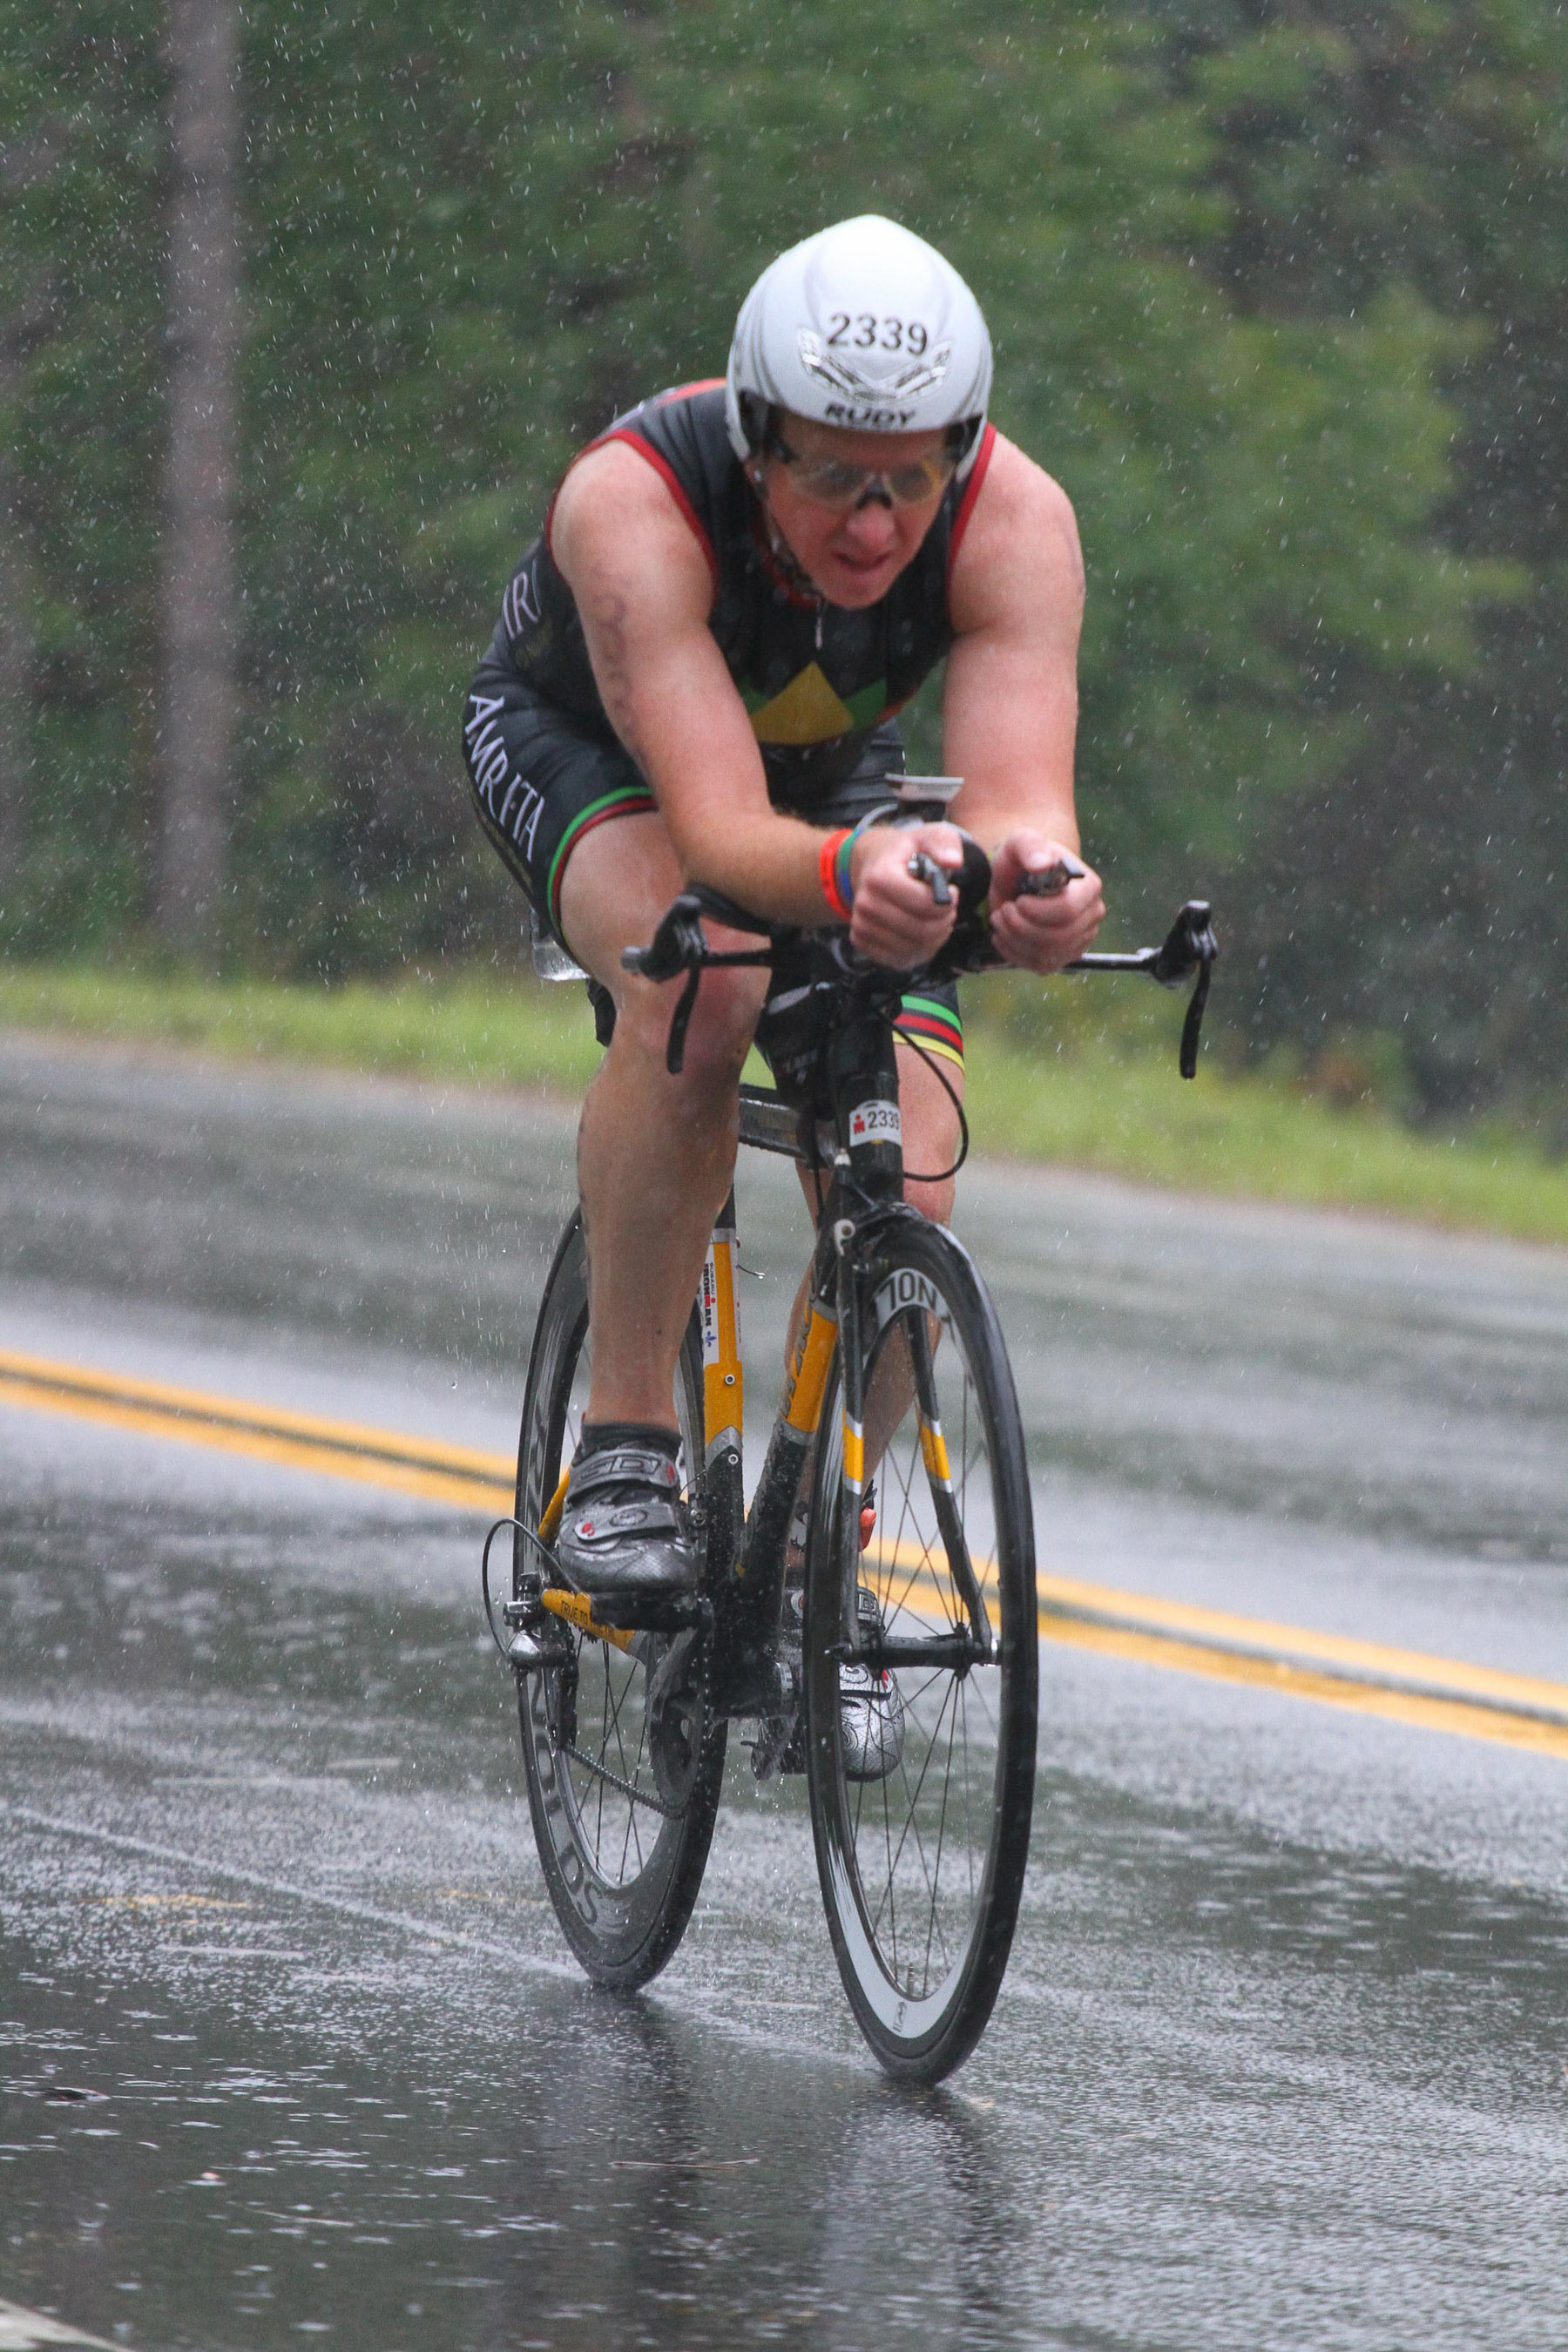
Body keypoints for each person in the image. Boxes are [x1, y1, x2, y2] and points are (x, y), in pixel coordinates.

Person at [463, 215, 1104, 1610]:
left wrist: (1034, 885)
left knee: (916, 1162)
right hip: (594, 746)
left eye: (910, 481)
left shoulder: (1016, 521)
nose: (875, 524)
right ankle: (624, 1446)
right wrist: (850, 883)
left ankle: (826, 1539)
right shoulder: (632, 503)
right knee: (708, 984)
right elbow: (716, 837)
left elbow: (1012, 803)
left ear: (962, 450)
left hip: (819, 773)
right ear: (756, 437)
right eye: (829, 475)